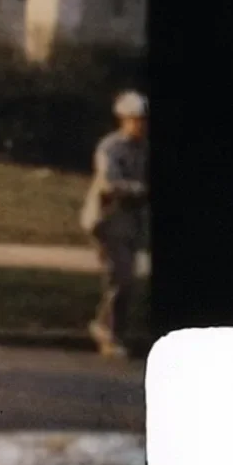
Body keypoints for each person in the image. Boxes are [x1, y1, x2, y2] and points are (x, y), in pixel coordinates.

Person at [81, 90, 149, 358]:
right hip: (107, 219)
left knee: (125, 279)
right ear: (123, 119)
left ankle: (106, 326)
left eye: (144, 120)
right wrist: (138, 189)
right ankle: (108, 333)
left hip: (132, 221)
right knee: (121, 278)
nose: (141, 125)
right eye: (136, 119)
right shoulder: (110, 148)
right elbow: (110, 183)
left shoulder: (145, 149)